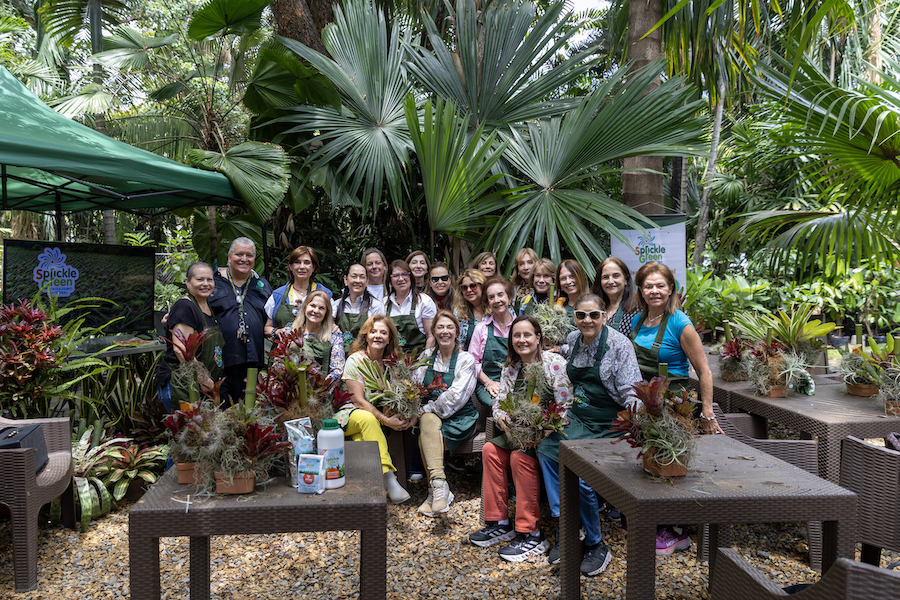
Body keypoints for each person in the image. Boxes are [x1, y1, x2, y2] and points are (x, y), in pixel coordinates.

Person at [538, 293, 642, 574]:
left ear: (604, 316)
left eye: (594, 315)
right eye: (581, 315)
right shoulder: (573, 340)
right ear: (574, 317)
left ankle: (596, 544)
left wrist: (640, 420)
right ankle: (568, 525)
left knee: (584, 474)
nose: (587, 320)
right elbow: (561, 355)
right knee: (547, 451)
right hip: (578, 418)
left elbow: (632, 390)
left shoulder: (620, 345)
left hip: (609, 423)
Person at [630, 261, 724, 555]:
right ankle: (658, 522)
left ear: (671, 288)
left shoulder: (680, 323)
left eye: (660, 285)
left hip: (675, 406)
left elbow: (704, 371)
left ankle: (678, 531)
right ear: (640, 290)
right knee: (652, 462)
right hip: (648, 405)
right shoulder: (638, 321)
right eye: (648, 286)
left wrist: (707, 413)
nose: (654, 291)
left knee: (673, 464)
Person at [469, 315, 572, 562]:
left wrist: (546, 431)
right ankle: (500, 522)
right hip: (517, 432)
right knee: (490, 450)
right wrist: (504, 424)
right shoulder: (511, 368)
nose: (522, 340)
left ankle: (531, 533)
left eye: (527, 335)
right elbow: (500, 404)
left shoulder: (554, 364)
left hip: (547, 434)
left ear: (538, 338)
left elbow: (566, 404)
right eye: (517, 335)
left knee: (519, 457)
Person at [411, 311, 479, 516]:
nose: (445, 331)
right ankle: (439, 486)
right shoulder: (426, 357)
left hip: (460, 418)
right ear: (433, 332)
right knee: (427, 422)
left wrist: (425, 409)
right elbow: (414, 386)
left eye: (450, 327)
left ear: (457, 331)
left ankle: (434, 493)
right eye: (440, 327)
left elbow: (455, 398)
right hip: (431, 417)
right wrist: (416, 409)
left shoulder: (466, 360)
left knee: (426, 429)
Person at [340, 315, 412, 504]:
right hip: (350, 416)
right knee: (367, 419)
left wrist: (400, 415)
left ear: (390, 338)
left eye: (383, 332)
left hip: (374, 421)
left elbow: (397, 396)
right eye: (373, 331)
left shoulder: (392, 365)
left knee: (363, 439)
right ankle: (389, 478)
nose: (378, 335)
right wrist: (386, 420)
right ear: (366, 336)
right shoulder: (355, 360)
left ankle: (370, 488)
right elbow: (358, 401)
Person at [208, 238, 272, 405]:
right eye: (239, 254)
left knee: (249, 412)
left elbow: (273, 317)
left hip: (253, 363)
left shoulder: (262, 285)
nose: (244, 259)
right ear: (229, 257)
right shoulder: (213, 282)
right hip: (221, 363)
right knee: (222, 413)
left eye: (249, 255)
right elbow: (196, 307)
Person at [156, 262, 224, 411]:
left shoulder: (206, 306)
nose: (205, 284)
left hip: (200, 387)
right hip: (182, 386)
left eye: (209, 280)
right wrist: (203, 379)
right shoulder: (185, 307)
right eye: (199, 279)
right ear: (187, 282)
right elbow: (181, 350)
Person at [265, 246, 333, 338]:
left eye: (307, 262)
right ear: (290, 266)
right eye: (297, 262)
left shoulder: (325, 294)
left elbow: (331, 325)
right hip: (283, 346)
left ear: (313, 267)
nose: (302, 267)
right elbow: (267, 328)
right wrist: (277, 331)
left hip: (315, 346)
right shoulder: (278, 295)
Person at [469, 277, 515, 408]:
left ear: (509, 298)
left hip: (516, 382)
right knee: (499, 405)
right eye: (491, 297)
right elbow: (472, 362)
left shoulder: (520, 327)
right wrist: (488, 382)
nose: (497, 300)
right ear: (488, 302)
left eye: (500, 295)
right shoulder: (481, 328)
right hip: (488, 382)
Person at [383, 259, 436, 355]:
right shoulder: (383, 304)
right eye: (395, 276)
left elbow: (431, 336)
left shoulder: (424, 301)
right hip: (391, 360)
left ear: (410, 277)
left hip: (419, 359)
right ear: (390, 280)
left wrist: (424, 360)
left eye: (404, 274)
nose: (400, 279)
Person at [289, 291, 345, 382]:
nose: (316, 311)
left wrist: (322, 387)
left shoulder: (334, 337)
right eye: (312, 306)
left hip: (321, 387)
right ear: (305, 307)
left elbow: (337, 370)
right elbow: (279, 365)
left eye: (321, 308)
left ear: (327, 312)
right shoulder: (290, 333)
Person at [333, 263, 383, 353]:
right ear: (346, 279)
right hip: (339, 356)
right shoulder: (336, 305)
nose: (358, 280)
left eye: (362, 277)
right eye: (354, 276)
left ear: (367, 281)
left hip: (365, 356)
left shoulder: (375, 306)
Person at [592, 257, 639, 337]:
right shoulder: (592, 308)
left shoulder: (637, 309)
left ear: (626, 280)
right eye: (605, 277)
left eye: (616, 276)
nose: (610, 281)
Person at [452, 269, 488, 351]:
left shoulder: (496, 306)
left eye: (473, 286)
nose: (469, 290)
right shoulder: (459, 313)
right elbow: (457, 343)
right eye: (464, 287)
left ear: (482, 286)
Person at [511, 248, 539, 312]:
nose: (526, 267)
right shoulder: (514, 290)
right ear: (517, 268)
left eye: (530, 263)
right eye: (521, 264)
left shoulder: (544, 287)